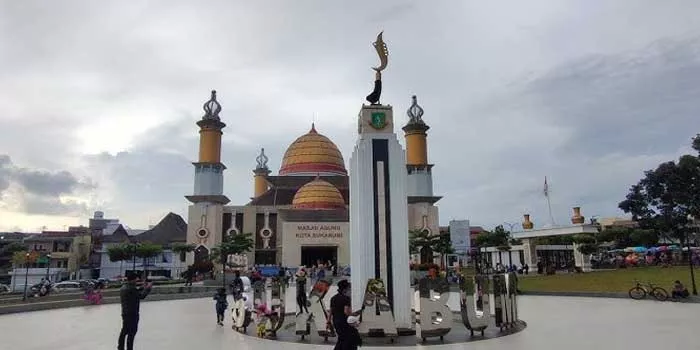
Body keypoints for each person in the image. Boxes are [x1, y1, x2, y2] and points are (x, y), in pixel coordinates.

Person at [117, 272, 152, 350]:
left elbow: (135, 293)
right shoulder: (131, 288)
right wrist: (148, 288)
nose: (137, 282)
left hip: (125, 313)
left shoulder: (124, 287)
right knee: (131, 333)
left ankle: (120, 347)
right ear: (132, 280)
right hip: (132, 313)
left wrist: (142, 287)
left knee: (124, 331)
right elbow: (141, 296)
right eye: (136, 280)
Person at [330, 280, 359, 350]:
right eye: (349, 287)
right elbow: (346, 312)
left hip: (336, 321)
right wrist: (355, 314)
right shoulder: (346, 298)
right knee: (348, 339)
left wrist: (328, 321)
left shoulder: (333, 298)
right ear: (345, 289)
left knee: (341, 338)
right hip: (344, 322)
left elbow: (331, 311)